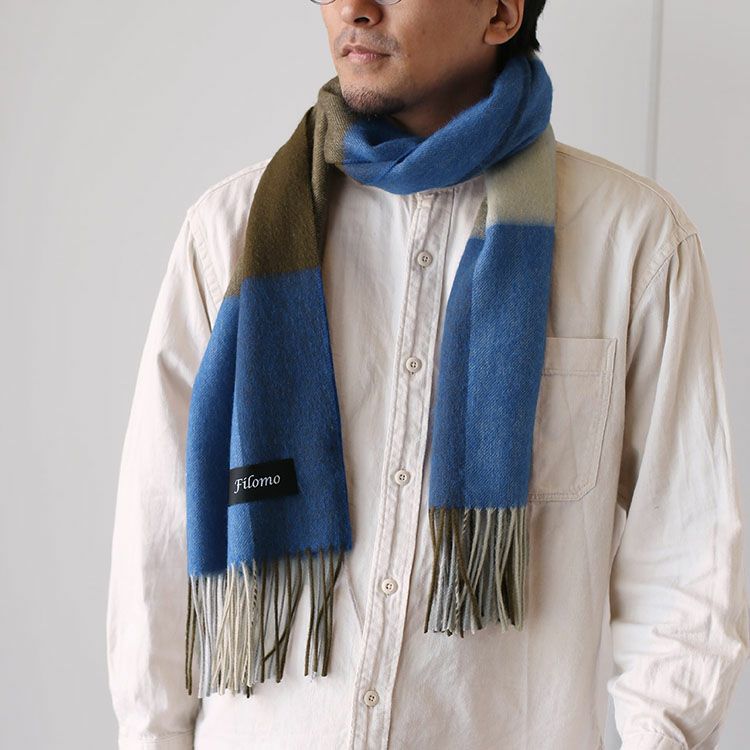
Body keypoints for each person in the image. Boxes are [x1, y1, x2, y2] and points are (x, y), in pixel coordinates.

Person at [106, 1, 750, 748]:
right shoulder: (230, 235)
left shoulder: (632, 244)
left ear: (501, 13)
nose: (353, 8)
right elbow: (158, 541)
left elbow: (685, 568)